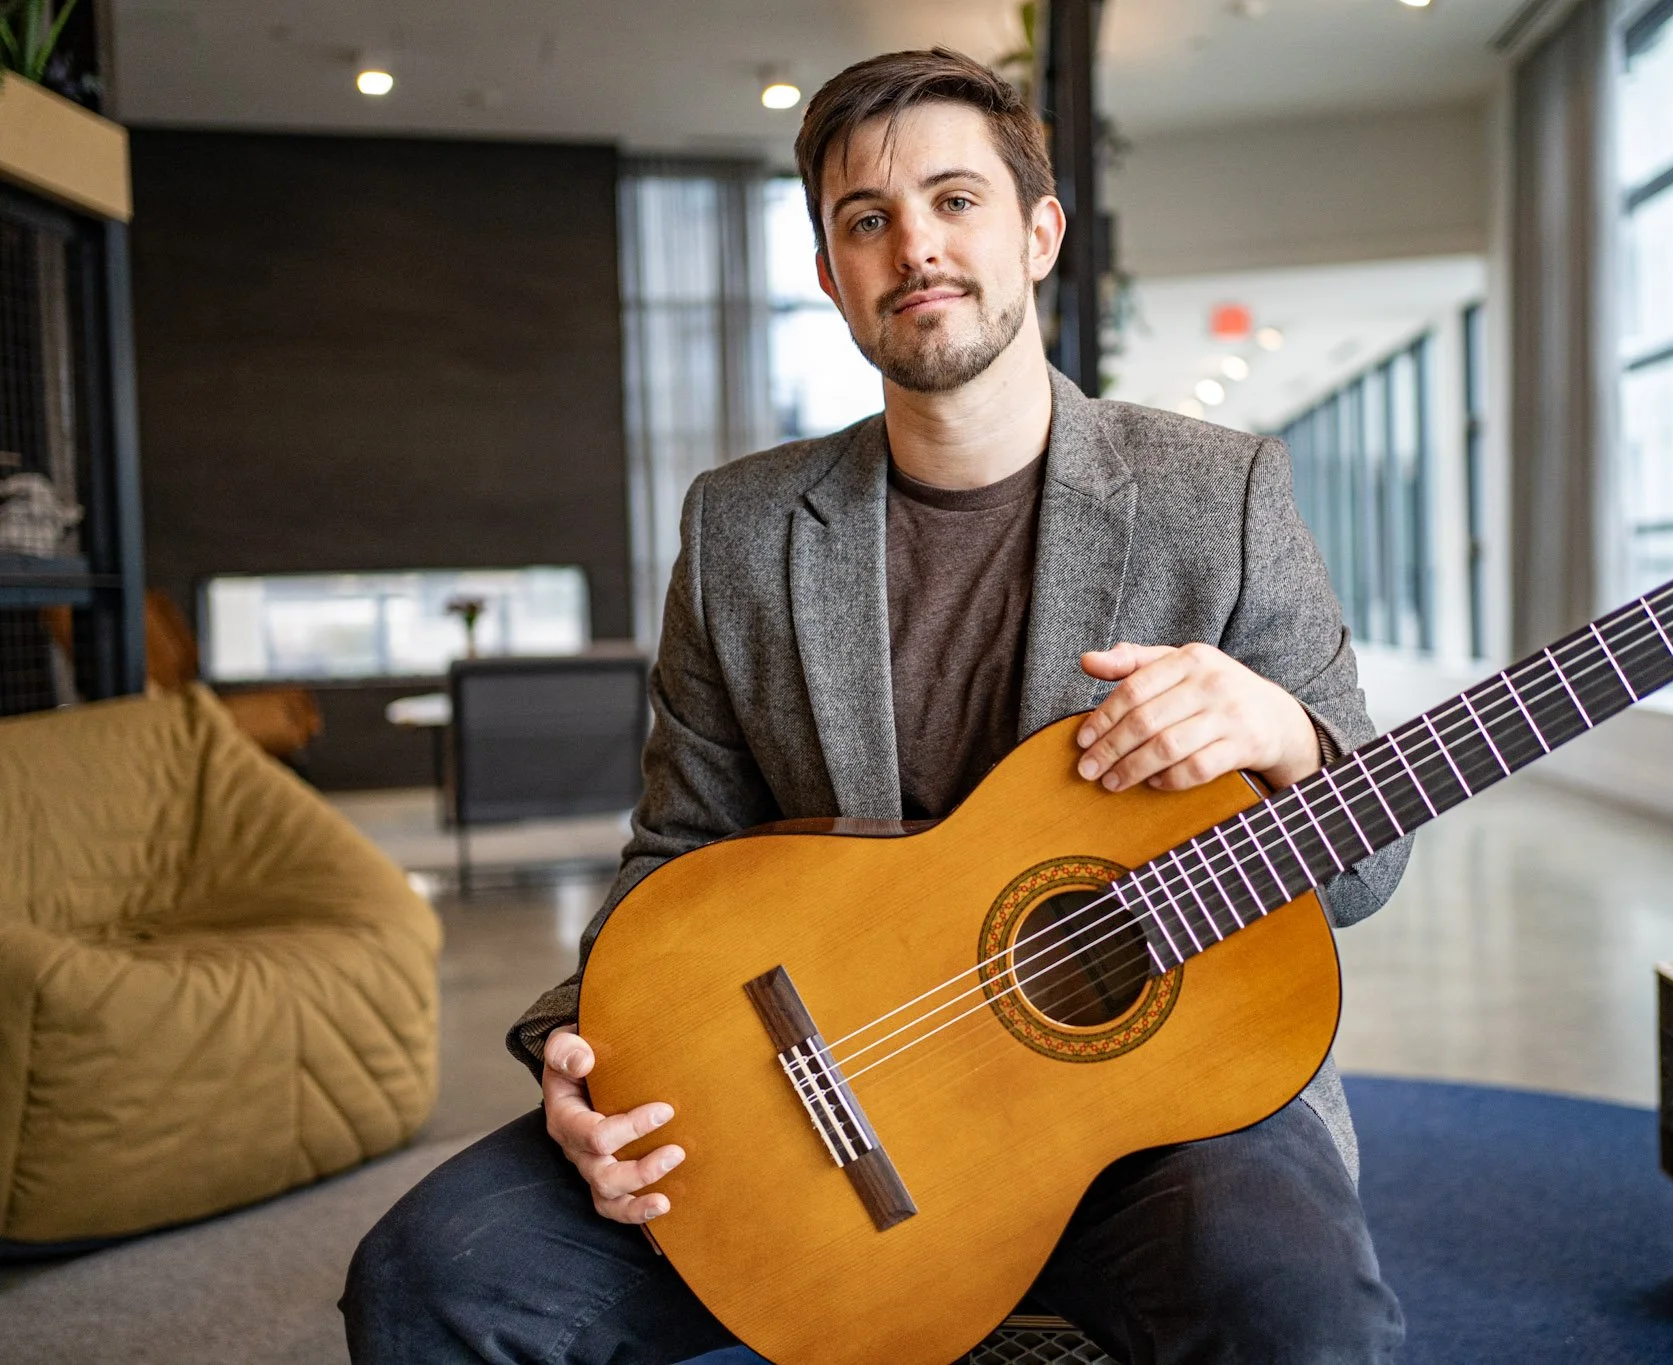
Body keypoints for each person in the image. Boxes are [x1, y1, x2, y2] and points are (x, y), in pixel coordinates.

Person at [343, 47, 1410, 1365]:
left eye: (956, 201)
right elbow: (679, 848)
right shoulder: (739, 527)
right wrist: (586, 1045)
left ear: (1038, 234)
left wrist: (1284, 736)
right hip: (814, 1100)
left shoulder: (1222, 491)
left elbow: (1365, 871)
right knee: (427, 1280)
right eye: (868, 219)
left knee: (1303, 1322)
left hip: (1152, 1122)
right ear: (832, 275)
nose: (915, 244)